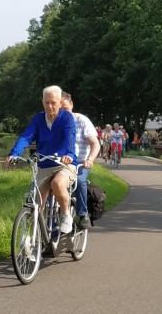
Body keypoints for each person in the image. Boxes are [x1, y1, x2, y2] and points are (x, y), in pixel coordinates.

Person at [6, 85, 77, 234]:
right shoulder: (38, 119)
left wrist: (69, 154)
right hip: (44, 165)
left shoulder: (67, 118)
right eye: (46, 103)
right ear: (42, 102)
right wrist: (14, 153)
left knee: (57, 183)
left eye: (53, 102)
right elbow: (26, 136)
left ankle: (65, 215)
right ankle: (36, 237)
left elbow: (70, 137)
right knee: (36, 201)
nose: (50, 106)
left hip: (64, 164)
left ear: (60, 102)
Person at [61, 92, 100, 229]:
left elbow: (95, 144)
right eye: (59, 109)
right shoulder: (55, 122)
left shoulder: (81, 120)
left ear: (71, 105)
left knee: (79, 180)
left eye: (65, 108)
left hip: (80, 163)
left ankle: (83, 214)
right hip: (61, 164)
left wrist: (90, 159)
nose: (62, 112)